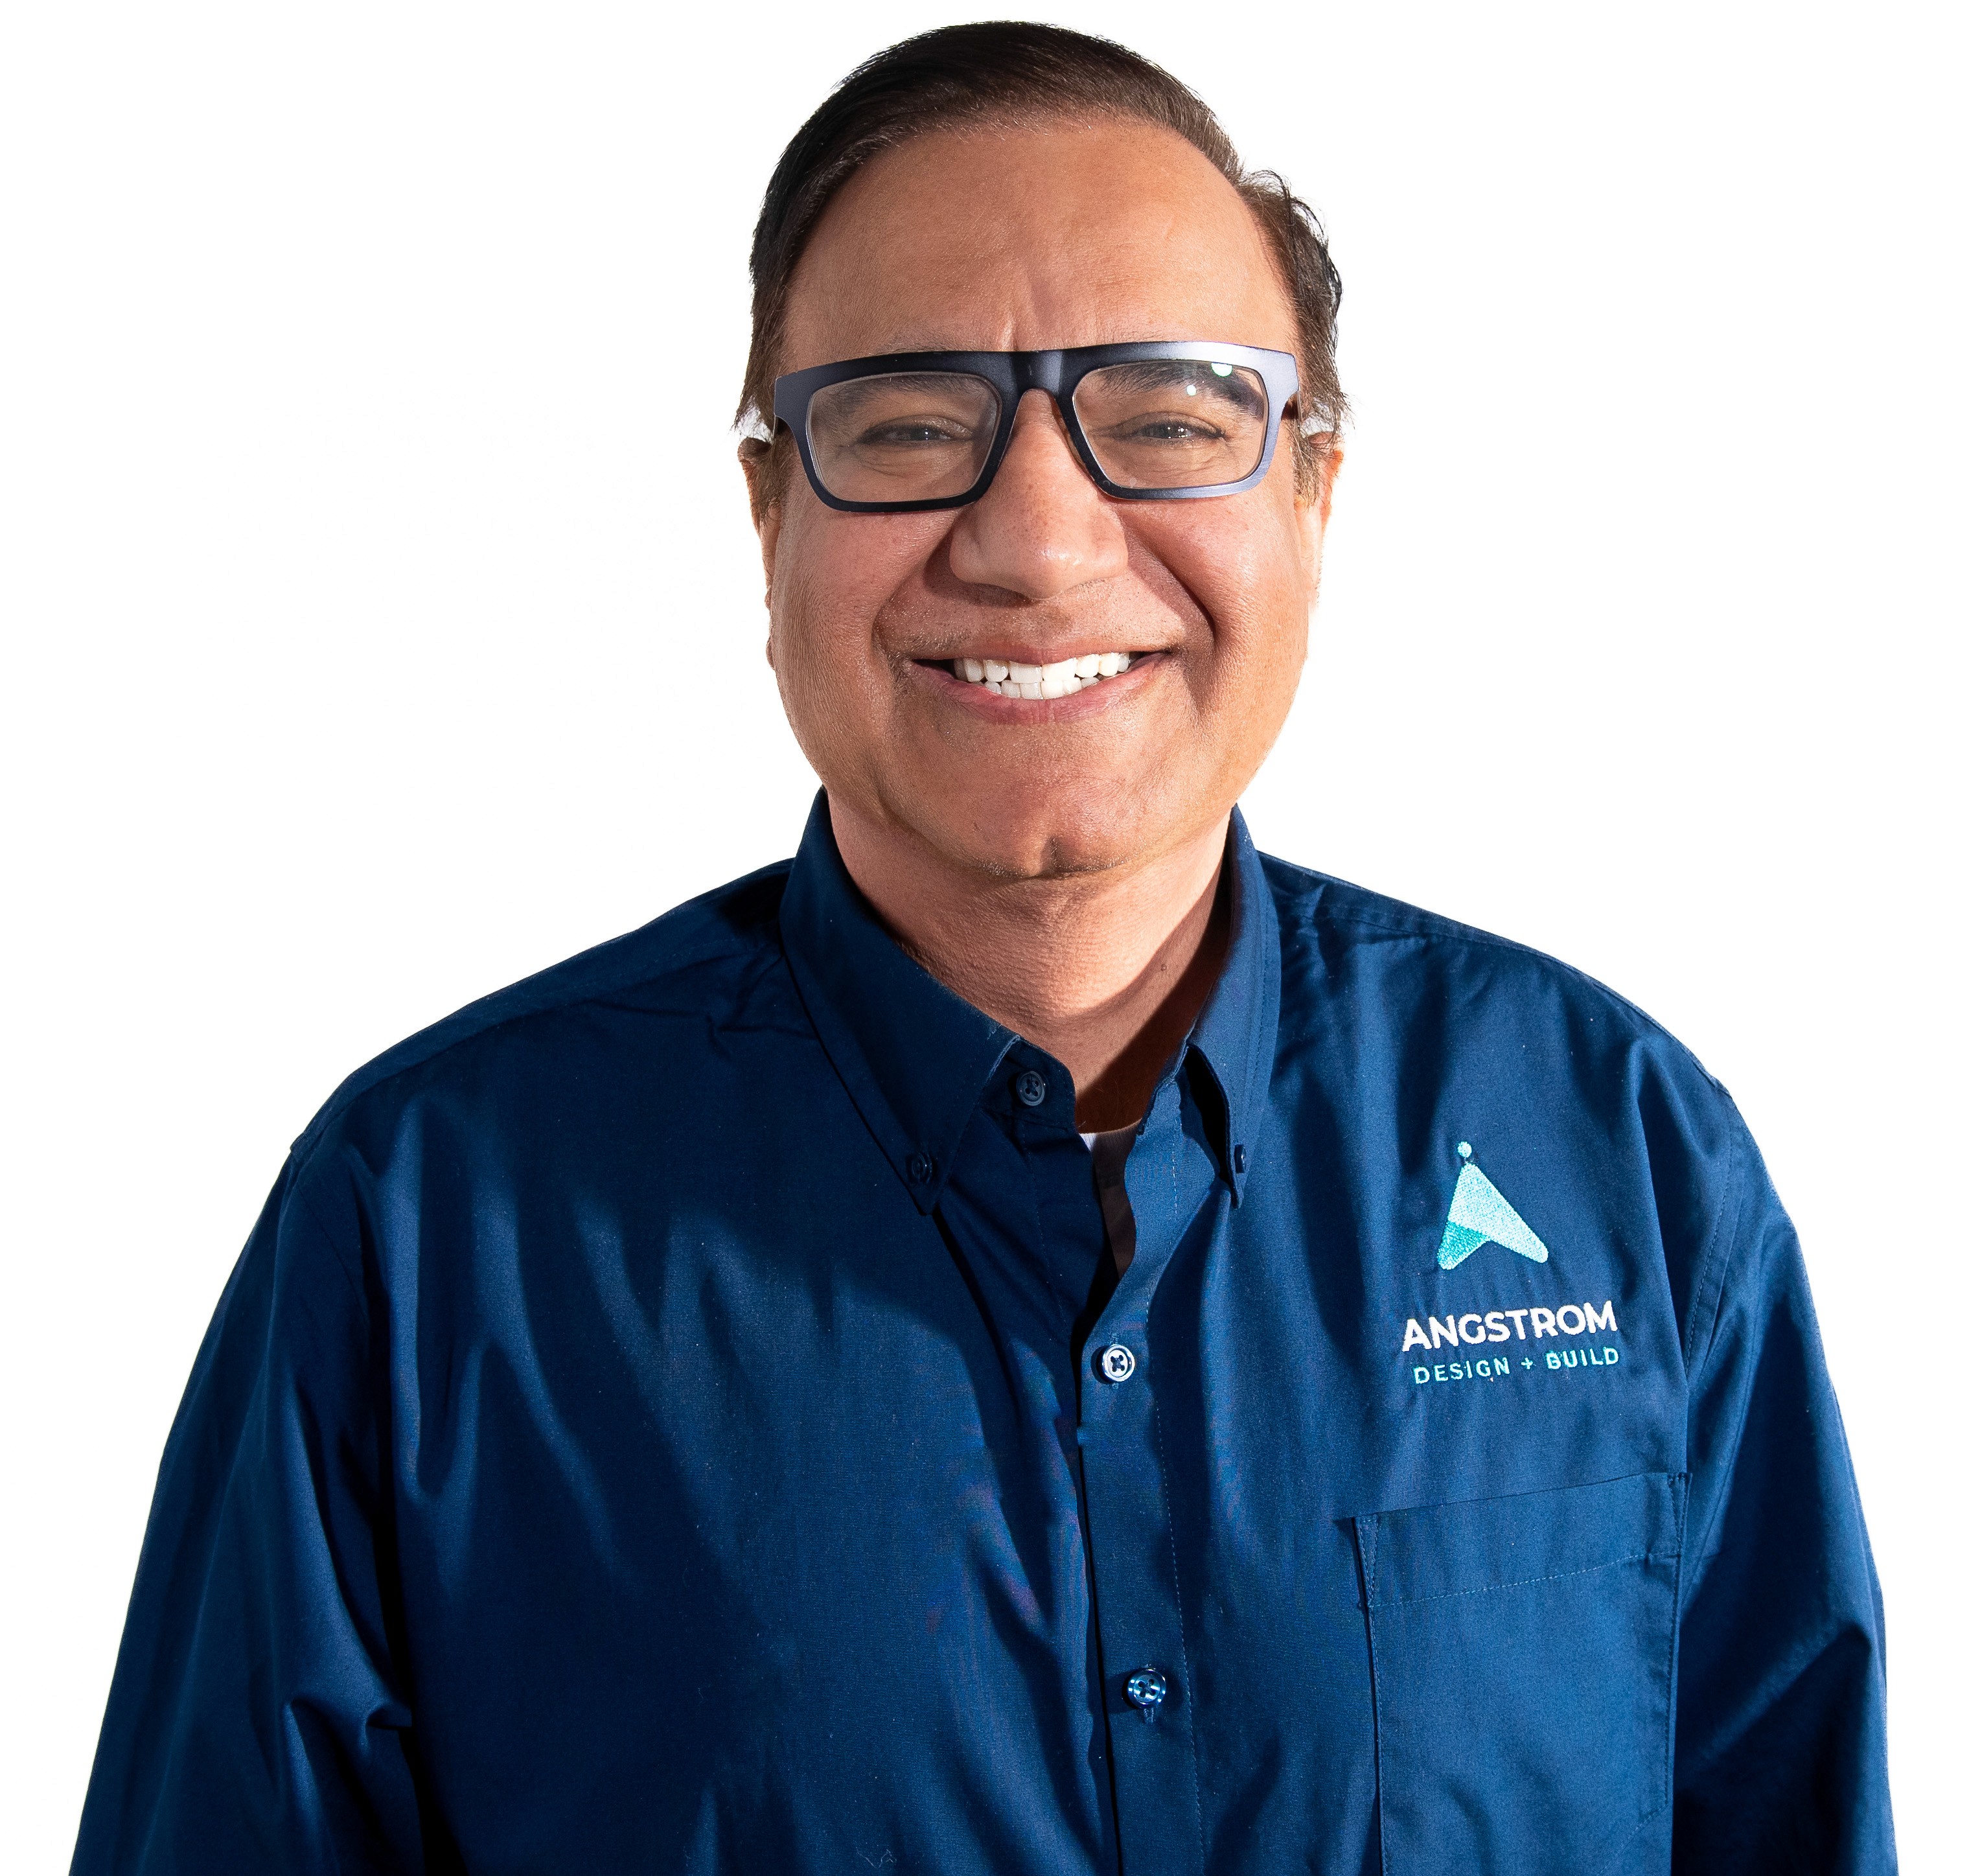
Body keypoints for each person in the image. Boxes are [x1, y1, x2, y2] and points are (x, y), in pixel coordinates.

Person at [71, 22, 1893, 1875]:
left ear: (1316, 502)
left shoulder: (1623, 1156)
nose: (1034, 541)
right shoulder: (429, 1230)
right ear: (770, 514)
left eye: (1174, 420)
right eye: (909, 425)